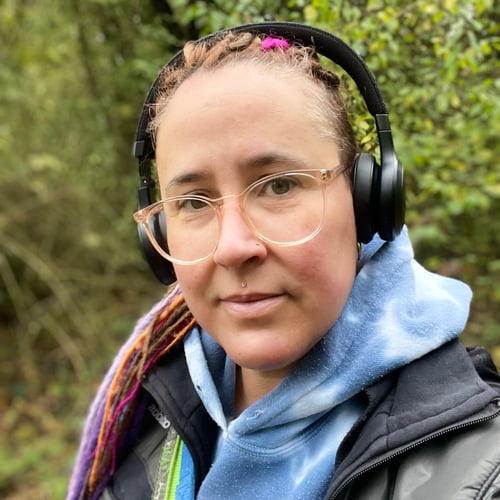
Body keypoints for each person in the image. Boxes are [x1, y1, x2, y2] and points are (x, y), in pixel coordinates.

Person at [67, 22, 500, 500]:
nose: (233, 248)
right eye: (193, 202)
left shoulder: (481, 472)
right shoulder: (138, 411)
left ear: (365, 201)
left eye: (279, 186)